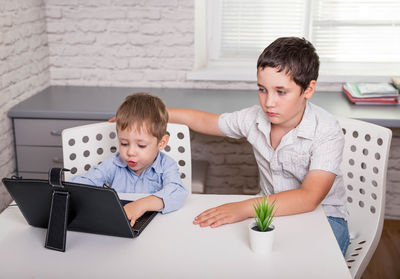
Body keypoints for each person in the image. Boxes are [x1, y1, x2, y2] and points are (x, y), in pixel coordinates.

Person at [168, 37, 349, 256]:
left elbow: (309, 197)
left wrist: (242, 208)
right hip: (267, 212)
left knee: (308, 265)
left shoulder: (326, 130)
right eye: (262, 90)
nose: (269, 102)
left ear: (308, 89)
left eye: (281, 92)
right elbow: (206, 121)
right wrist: (152, 113)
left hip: (325, 217)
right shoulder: (253, 118)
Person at [71, 93, 188, 226]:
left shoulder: (167, 165)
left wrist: (142, 204)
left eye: (141, 145)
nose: (130, 152)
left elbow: (178, 192)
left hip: (156, 227)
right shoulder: (114, 163)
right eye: (124, 143)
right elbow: (88, 180)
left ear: (161, 143)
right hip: (119, 225)